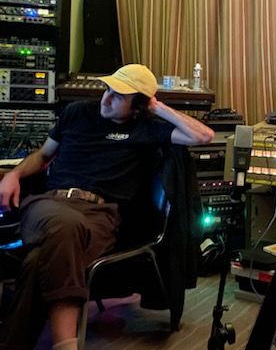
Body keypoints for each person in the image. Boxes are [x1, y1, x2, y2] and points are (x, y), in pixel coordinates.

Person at [0, 64, 214, 350]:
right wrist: (14, 174)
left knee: (38, 260)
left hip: (100, 217)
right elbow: (43, 156)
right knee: (65, 226)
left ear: (138, 106)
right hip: (49, 204)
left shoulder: (145, 128)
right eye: (108, 90)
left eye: (119, 96)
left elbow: (203, 136)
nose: (106, 99)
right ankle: (66, 345)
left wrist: (156, 106)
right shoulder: (76, 113)